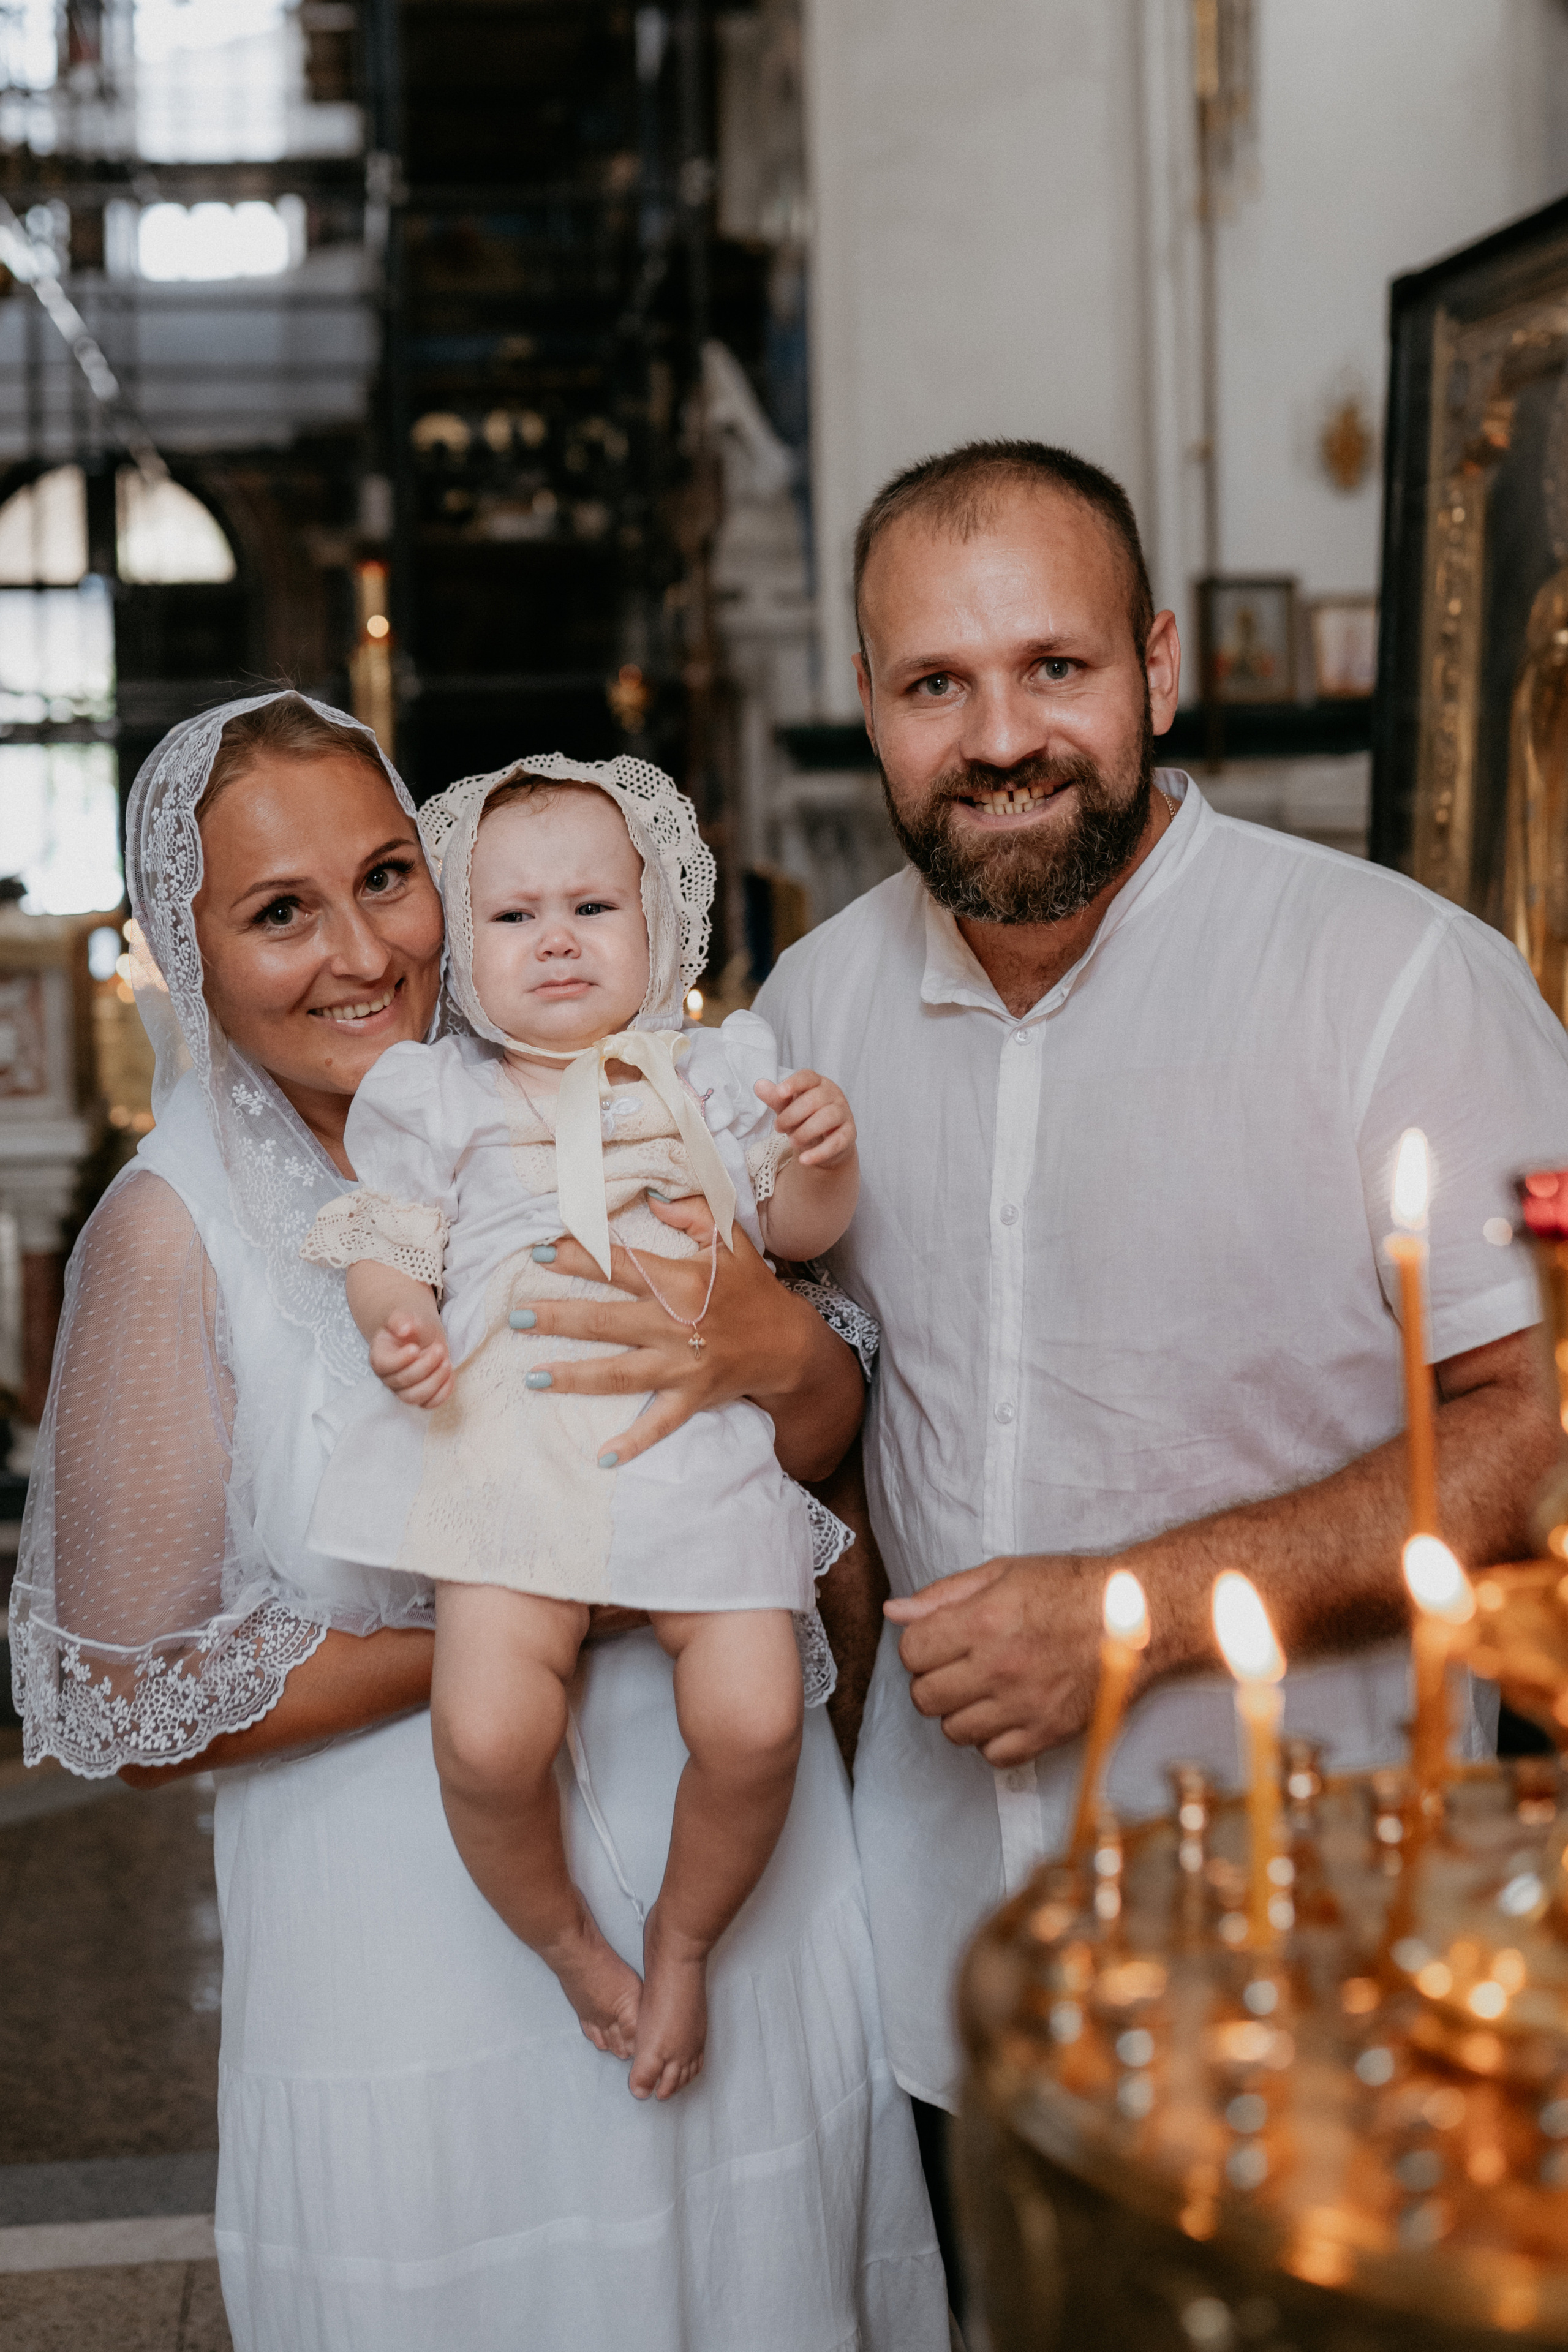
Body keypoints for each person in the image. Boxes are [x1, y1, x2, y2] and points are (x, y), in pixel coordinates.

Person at [10, 690, 947, 2351]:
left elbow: (819, 1447)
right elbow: (133, 1703)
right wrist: (534, 1602)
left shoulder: (580, 1092)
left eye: (386, 876)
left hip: (748, 1915)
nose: (363, 951)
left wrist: (772, 1344)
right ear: (188, 950)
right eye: (279, 913)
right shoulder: (175, 1239)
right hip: (420, 1986)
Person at [755, 437, 1568, 2289]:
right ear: (868, 711)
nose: (1001, 737)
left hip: (1321, 1940)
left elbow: (1537, 1424)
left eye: (1057, 668)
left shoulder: (1394, 982)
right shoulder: (813, 1018)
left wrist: (1133, 1607)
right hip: (935, 1944)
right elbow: (813, 1426)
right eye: (934, 686)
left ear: (1160, 669)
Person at [302, 757, 861, 2102]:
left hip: (697, 1436)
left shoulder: (717, 1078)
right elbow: (381, 1232)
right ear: (461, 947)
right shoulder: (435, 1095)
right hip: (512, 1437)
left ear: (656, 929)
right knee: (488, 1735)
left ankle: (682, 1937)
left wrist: (825, 1156)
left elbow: (795, 1236)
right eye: (511, 916)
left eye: (591, 909)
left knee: (754, 1719)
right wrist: (396, 1316)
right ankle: (563, 1939)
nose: (554, 936)